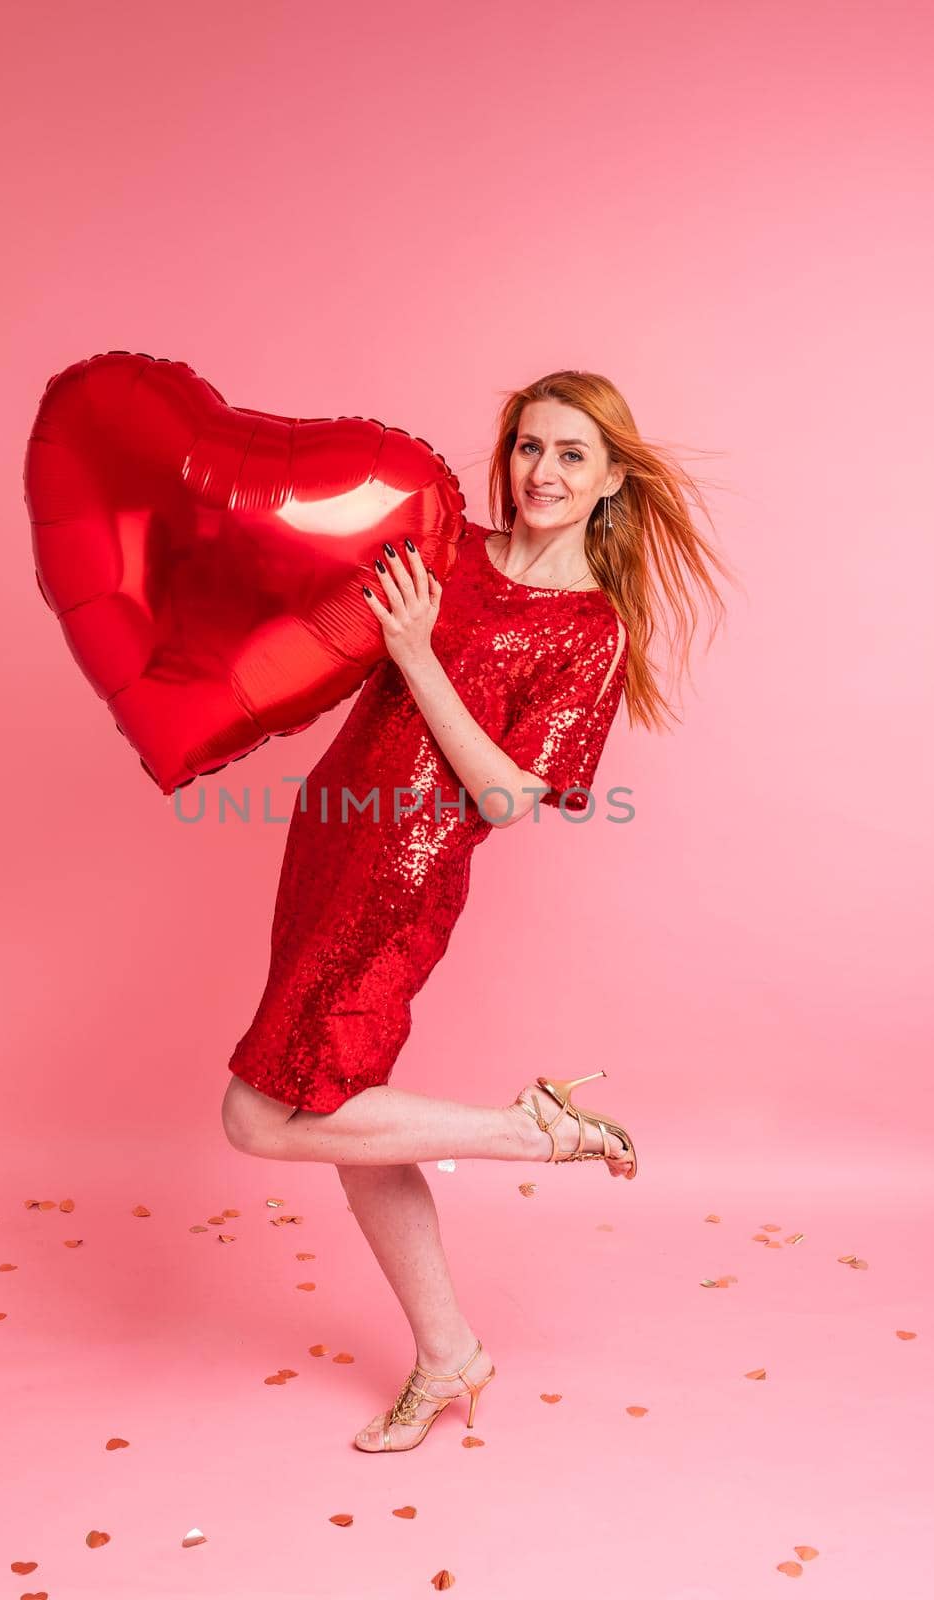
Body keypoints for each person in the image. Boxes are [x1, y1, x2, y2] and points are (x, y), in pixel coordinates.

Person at [221, 369, 730, 1453]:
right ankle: (448, 1353)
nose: (540, 473)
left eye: (570, 455)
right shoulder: (442, 547)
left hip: (397, 883)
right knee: (352, 1124)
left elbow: (504, 792)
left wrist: (414, 651)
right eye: (527, 447)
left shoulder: (589, 634)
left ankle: (526, 1129)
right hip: (327, 839)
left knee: (258, 1116)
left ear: (609, 481)